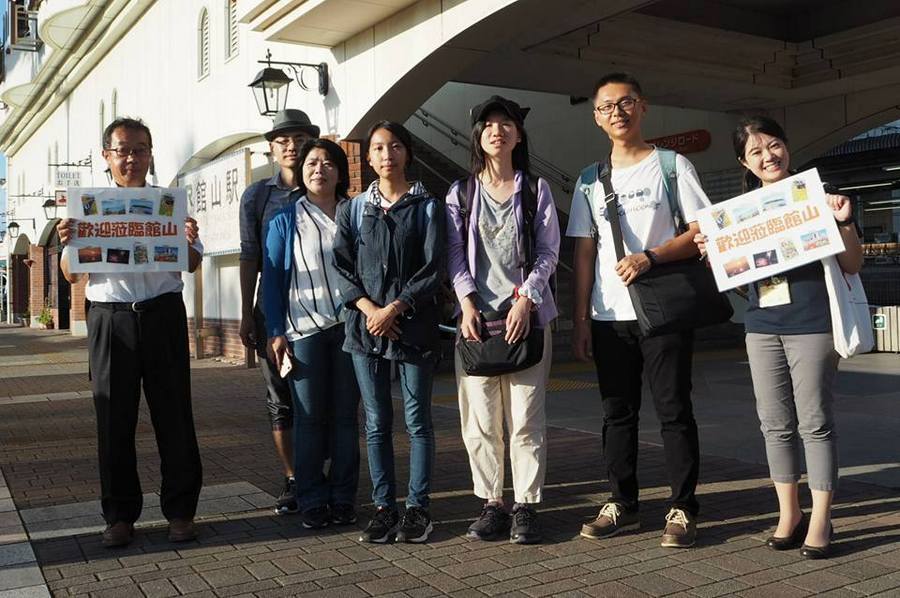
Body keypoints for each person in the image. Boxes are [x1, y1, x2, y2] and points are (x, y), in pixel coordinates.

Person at [695, 115, 863, 559]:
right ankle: (789, 513)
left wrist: (844, 222)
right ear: (744, 163)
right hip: (761, 327)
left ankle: (822, 517)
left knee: (815, 423)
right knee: (774, 424)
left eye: (773, 145)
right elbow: (737, 284)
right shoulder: (736, 215)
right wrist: (716, 256)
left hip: (813, 323)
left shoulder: (816, 199)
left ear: (787, 147)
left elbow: (851, 264)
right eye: (756, 152)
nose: (768, 156)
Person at [566, 73, 710, 548]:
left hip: (663, 310)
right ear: (596, 117)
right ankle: (622, 502)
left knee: (674, 410)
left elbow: (701, 232)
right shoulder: (588, 180)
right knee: (617, 415)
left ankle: (683, 507)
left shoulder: (671, 166)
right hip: (610, 316)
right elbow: (584, 253)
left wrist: (651, 256)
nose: (618, 113)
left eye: (626, 103)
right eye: (607, 107)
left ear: (642, 107)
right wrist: (581, 319)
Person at [58, 117, 204, 547]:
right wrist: (68, 240)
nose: (131, 158)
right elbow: (70, 274)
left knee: (174, 415)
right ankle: (119, 516)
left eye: (140, 149)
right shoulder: (87, 209)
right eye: (122, 149)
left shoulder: (168, 204)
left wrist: (189, 238)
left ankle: (180, 511)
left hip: (163, 314)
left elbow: (192, 263)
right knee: (113, 420)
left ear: (150, 153)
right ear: (106, 156)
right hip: (110, 318)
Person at [446, 96, 559, 544]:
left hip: (526, 319)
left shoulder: (536, 189)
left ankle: (526, 505)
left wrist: (526, 299)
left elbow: (549, 251)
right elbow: (453, 253)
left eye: (506, 124)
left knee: (527, 417)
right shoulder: (461, 192)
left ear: (518, 134)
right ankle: (492, 503)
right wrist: (467, 302)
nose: (498, 131)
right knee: (481, 420)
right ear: (478, 135)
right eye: (489, 124)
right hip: (476, 322)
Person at [332, 121, 446, 544]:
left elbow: (433, 268)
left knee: (418, 421)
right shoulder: (354, 208)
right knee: (377, 422)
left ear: (407, 153)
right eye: (378, 148)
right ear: (369, 158)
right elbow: (341, 266)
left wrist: (395, 307)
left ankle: (418, 509)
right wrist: (370, 310)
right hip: (365, 330)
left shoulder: (428, 206)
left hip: (412, 326)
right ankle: (384, 507)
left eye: (394, 146)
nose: (386, 155)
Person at [261, 139, 361, 529]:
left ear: (340, 171)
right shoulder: (285, 220)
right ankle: (312, 498)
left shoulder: (355, 214)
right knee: (308, 418)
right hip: (303, 332)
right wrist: (275, 331)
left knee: (345, 419)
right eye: (312, 163)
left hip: (352, 328)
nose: (319, 169)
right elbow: (272, 279)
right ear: (301, 172)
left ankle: (342, 497)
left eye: (328, 163)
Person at [238, 109, 320, 515]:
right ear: (271, 148)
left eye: (300, 138)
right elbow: (249, 256)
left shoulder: (324, 187)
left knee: (324, 398)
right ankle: (292, 477)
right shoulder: (258, 195)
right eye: (283, 140)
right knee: (280, 398)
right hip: (272, 310)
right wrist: (245, 312)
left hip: (322, 312)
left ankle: (321, 473)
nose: (292, 146)